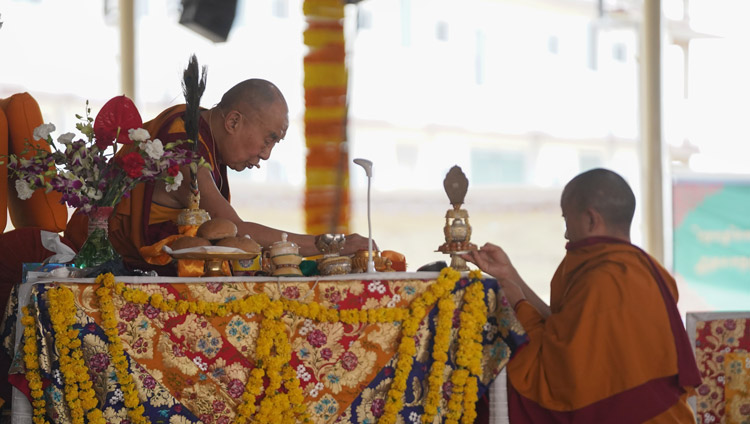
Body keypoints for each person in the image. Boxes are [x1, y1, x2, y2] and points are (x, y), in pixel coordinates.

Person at [463, 168, 701, 423]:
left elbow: (561, 372)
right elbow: (565, 331)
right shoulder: (647, 269)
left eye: (567, 221)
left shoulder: (604, 278)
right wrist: (510, 276)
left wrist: (517, 303)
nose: (566, 233)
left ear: (590, 219)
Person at [65, 79, 372, 269]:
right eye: (269, 139)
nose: (266, 155)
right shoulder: (183, 147)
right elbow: (237, 231)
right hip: (90, 266)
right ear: (234, 121)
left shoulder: (201, 137)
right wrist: (333, 244)